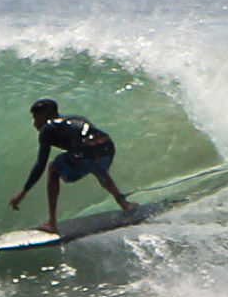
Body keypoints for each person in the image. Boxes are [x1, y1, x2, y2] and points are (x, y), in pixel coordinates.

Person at [9, 97, 135, 234]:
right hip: (107, 147)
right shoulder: (75, 118)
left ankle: (52, 222)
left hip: (87, 152)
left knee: (53, 168)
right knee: (95, 166)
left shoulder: (48, 128)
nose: (34, 123)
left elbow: (41, 163)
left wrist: (23, 192)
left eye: (36, 117)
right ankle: (124, 204)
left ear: (46, 114)